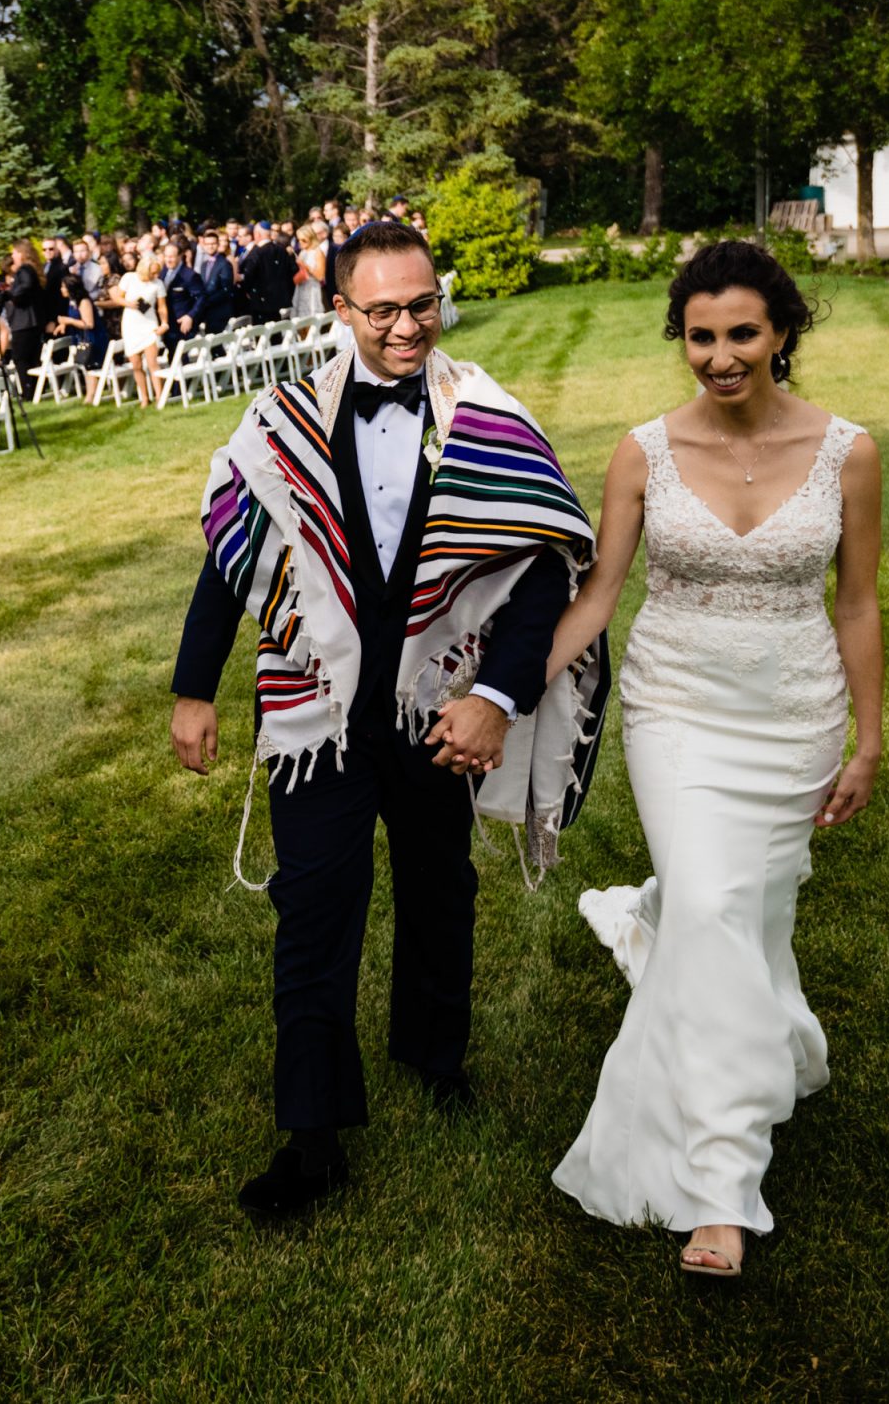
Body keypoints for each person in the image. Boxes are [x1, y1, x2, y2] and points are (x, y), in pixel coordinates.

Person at [168, 219, 604, 1216]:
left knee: (441, 889)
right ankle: (312, 1135)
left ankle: (435, 1055)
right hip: (313, 707)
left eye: (423, 304)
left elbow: (543, 567)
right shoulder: (279, 424)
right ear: (340, 310)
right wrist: (194, 688)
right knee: (313, 911)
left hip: (434, 705)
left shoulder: (486, 414)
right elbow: (231, 558)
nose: (409, 327)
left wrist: (495, 697)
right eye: (384, 310)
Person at [547, 241, 883, 1280]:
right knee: (712, 897)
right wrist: (506, 693)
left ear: (782, 331)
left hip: (794, 714)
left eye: (742, 333)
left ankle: (762, 1025)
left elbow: (857, 604)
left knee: (749, 913)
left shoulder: (848, 452)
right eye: (700, 337)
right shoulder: (642, 452)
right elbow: (599, 596)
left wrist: (869, 738)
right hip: (677, 709)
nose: (721, 356)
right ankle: (722, 1188)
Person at [107, 253, 165, 407]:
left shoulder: (158, 284)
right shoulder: (129, 278)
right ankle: (144, 398)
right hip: (131, 324)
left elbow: (162, 307)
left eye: (157, 272)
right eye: (153, 272)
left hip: (149, 324)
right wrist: (128, 303)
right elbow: (117, 298)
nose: (156, 275)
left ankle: (160, 396)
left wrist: (164, 323)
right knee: (136, 365)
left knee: (152, 362)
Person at [1, 241, 49, 385]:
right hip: (32, 320)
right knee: (32, 357)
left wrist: (11, 295)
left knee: (21, 357)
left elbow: (26, 286)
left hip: (24, 322)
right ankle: (35, 387)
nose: (13, 256)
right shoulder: (31, 269)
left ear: (22, 254)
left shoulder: (25, 270)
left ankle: (28, 389)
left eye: (15, 253)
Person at [294, 221, 330, 315]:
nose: (300, 242)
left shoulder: (318, 252)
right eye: (298, 240)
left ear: (311, 238)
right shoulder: (302, 252)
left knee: (312, 318)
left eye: (303, 240)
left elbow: (320, 276)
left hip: (313, 291)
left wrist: (306, 266)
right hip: (301, 289)